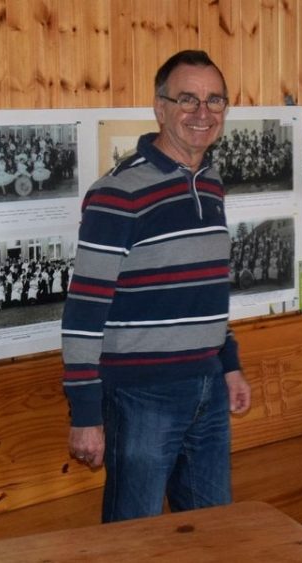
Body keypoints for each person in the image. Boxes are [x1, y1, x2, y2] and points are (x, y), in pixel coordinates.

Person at [61, 50, 251, 524]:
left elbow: (206, 291)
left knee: (212, 530)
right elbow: (84, 312)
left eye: (215, 100)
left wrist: (228, 365)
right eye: (187, 99)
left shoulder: (211, 184)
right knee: (133, 535)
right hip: (142, 397)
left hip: (207, 389)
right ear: (159, 106)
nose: (202, 113)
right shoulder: (117, 193)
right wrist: (85, 414)